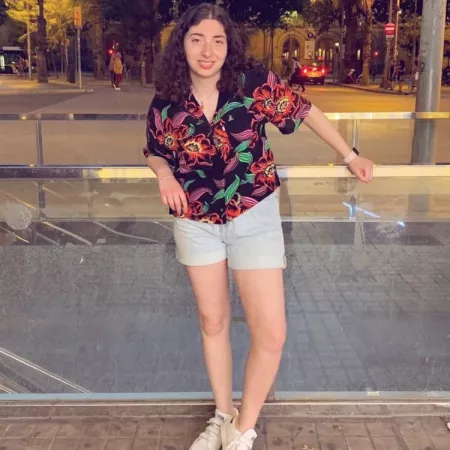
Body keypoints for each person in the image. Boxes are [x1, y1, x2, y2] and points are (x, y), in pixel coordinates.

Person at [144, 4, 373, 450]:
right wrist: (164, 174)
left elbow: (305, 111)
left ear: (228, 45)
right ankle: (221, 416)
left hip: (253, 213)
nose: (207, 51)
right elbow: (154, 149)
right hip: (195, 219)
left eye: (217, 40)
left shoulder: (252, 84)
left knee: (270, 331)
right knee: (213, 321)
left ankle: (242, 429)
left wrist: (350, 155)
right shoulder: (167, 99)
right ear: (181, 45)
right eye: (196, 40)